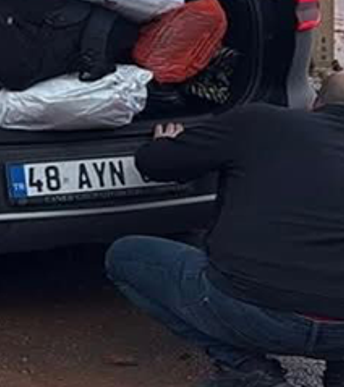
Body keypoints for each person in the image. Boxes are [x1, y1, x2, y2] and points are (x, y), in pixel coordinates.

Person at [106, 73, 344, 387]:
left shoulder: (261, 122)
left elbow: (156, 164)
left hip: (254, 314)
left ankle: (246, 367)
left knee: (125, 256)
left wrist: (164, 145)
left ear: (314, 103)